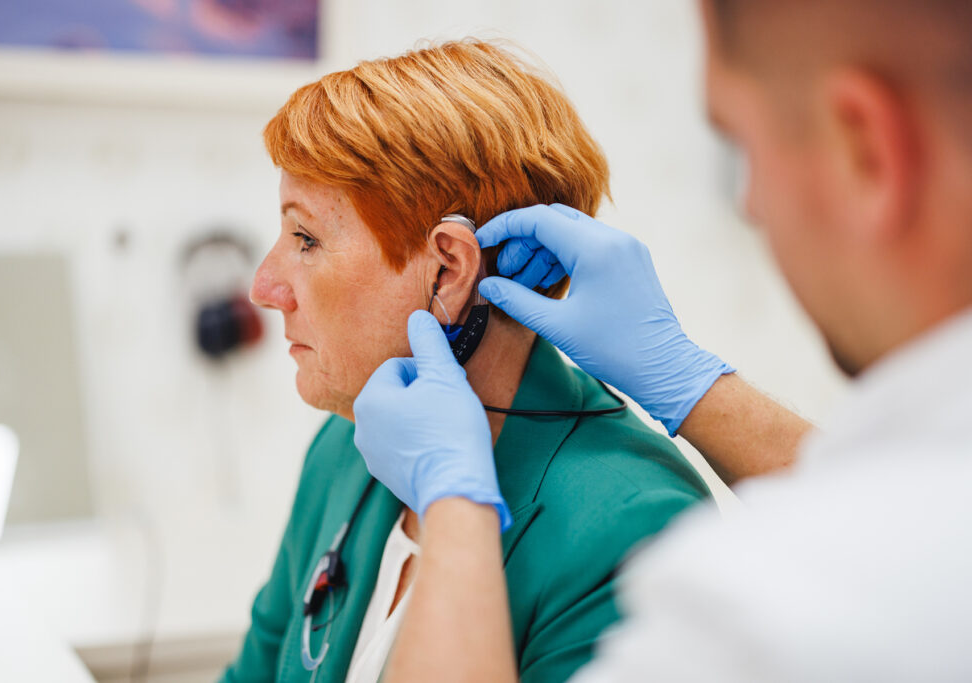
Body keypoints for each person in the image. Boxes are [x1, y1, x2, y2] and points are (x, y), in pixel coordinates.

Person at [352, 1, 972, 681]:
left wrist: (455, 506)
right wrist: (692, 381)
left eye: (741, 145)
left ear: (868, 149)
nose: (750, 205)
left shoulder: (746, 608)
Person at [220, 39, 717, 683]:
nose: (264, 287)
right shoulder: (346, 448)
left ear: (448, 268)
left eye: (306, 238)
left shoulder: (635, 530)